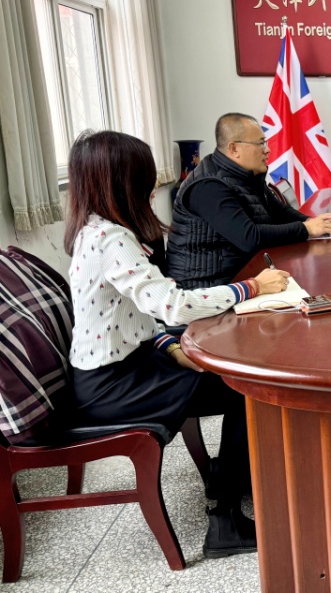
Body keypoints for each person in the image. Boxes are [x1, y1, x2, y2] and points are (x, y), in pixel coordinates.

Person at [64, 130, 292, 558]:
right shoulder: (111, 240)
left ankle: (237, 475)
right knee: (245, 389)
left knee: (234, 382)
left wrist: (170, 349)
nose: (153, 187)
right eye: (145, 177)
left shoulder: (93, 229)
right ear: (121, 182)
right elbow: (171, 305)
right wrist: (251, 288)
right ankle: (224, 520)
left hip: (127, 367)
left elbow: (137, 315)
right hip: (113, 386)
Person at [167, 112, 331, 289]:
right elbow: (249, 237)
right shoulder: (208, 186)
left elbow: (278, 211)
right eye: (260, 143)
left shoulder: (245, 174)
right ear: (234, 149)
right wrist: (306, 229)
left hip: (243, 276)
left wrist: (311, 222)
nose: (267, 150)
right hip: (209, 289)